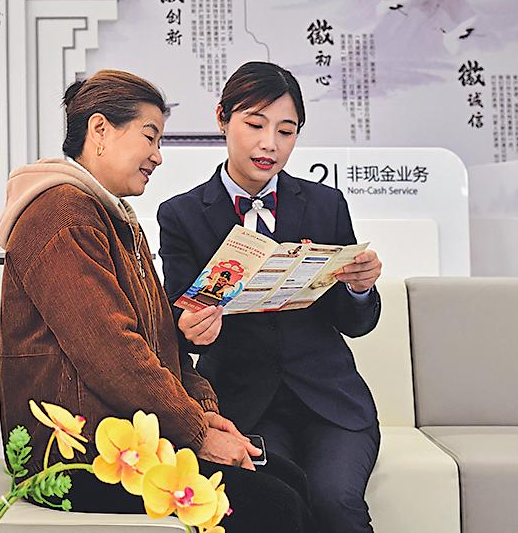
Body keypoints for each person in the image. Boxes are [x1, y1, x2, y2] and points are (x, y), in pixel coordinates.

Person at [0, 69, 314, 532]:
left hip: (128, 434)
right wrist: (196, 433)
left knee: (288, 478)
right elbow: (112, 352)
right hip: (76, 456)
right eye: (150, 137)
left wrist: (204, 414)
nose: (158, 156)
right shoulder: (63, 216)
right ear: (100, 130)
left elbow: (159, 339)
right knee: (274, 504)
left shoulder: (112, 217)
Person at [157, 61, 384, 533]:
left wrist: (360, 289)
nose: (270, 144)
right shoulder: (181, 215)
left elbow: (355, 323)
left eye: (286, 130)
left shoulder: (325, 204)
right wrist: (192, 329)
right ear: (222, 118)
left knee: (336, 501)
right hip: (245, 405)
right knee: (279, 504)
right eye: (255, 125)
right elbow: (177, 327)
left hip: (332, 401)